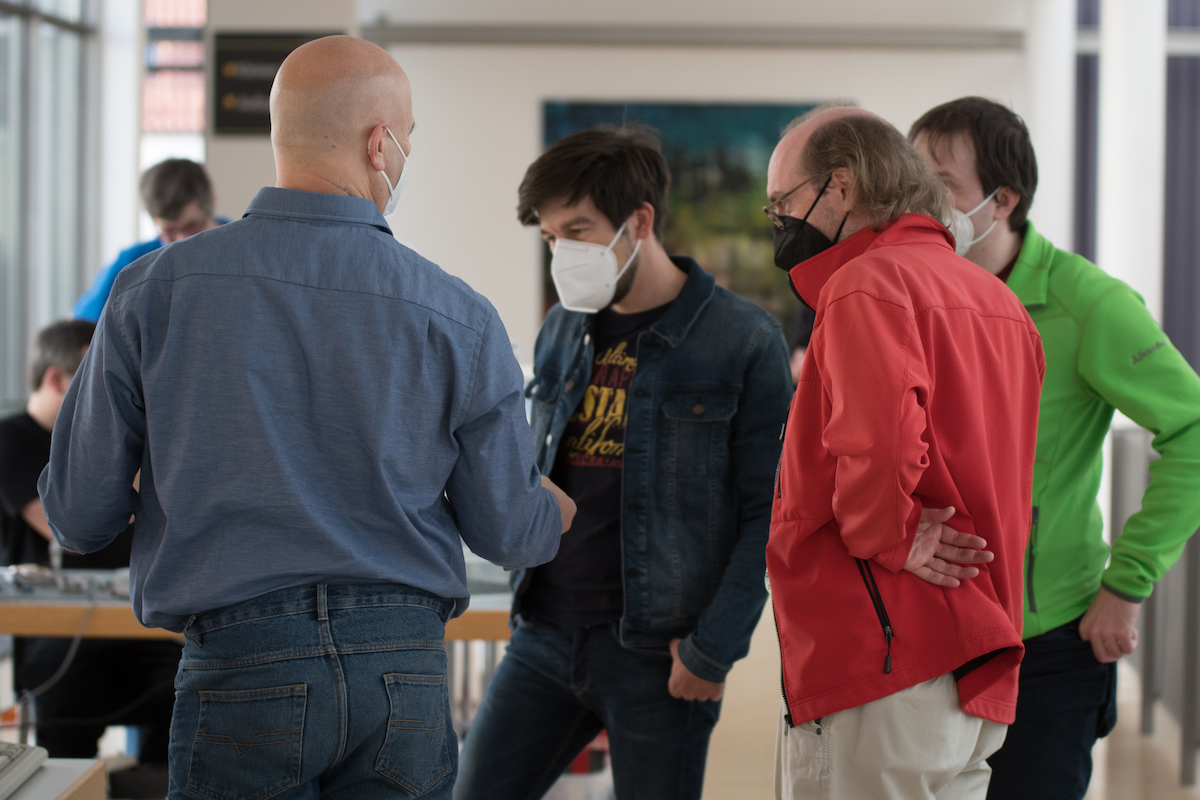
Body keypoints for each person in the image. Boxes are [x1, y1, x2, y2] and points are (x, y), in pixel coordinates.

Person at [38, 35, 575, 800]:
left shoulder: (151, 292)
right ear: (380, 144)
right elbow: (509, 534)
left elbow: (77, 518)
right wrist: (554, 508)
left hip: (240, 662)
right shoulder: (458, 313)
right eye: (409, 138)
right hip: (403, 672)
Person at [454, 126, 793, 800]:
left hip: (658, 651)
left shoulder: (743, 340)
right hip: (544, 632)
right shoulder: (563, 327)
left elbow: (770, 514)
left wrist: (713, 649)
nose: (562, 253)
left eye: (578, 230)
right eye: (551, 237)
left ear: (640, 220)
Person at [910, 96, 1200, 800]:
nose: (920, 203)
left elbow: (1194, 432)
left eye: (940, 186)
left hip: (1043, 647)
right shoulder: (911, 293)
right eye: (913, 182)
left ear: (1003, 199)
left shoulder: (1087, 302)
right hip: (921, 634)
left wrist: (1127, 585)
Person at [767, 107, 1045, 799]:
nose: (778, 222)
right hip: (975, 659)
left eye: (783, 203)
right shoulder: (999, 301)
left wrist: (888, 534)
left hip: (880, 654)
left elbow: (879, 443)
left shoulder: (867, 284)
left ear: (840, 186)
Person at [0, 320, 180, 762]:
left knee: (189, 687)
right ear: (57, 380)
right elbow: (76, 529)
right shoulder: (12, 439)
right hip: (59, 634)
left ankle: (146, 782)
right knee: (66, 702)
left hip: (136, 622)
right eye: (98, 382)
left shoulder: (120, 441)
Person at [71, 158, 226, 322]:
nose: (182, 240)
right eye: (170, 231)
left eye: (192, 226)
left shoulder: (241, 249)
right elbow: (79, 327)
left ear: (212, 199)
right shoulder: (132, 263)